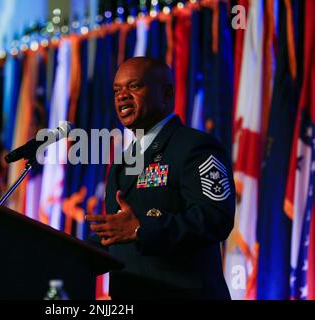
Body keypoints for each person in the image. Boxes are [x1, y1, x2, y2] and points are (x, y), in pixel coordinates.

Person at [85, 57, 235, 299]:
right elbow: (119, 231)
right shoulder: (122, 161)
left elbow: (215, 218)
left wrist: (141, 228)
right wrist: (67, 253)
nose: (122, 96)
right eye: (116, 90)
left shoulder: (196, 147)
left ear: (166, 93)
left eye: (134, 86)